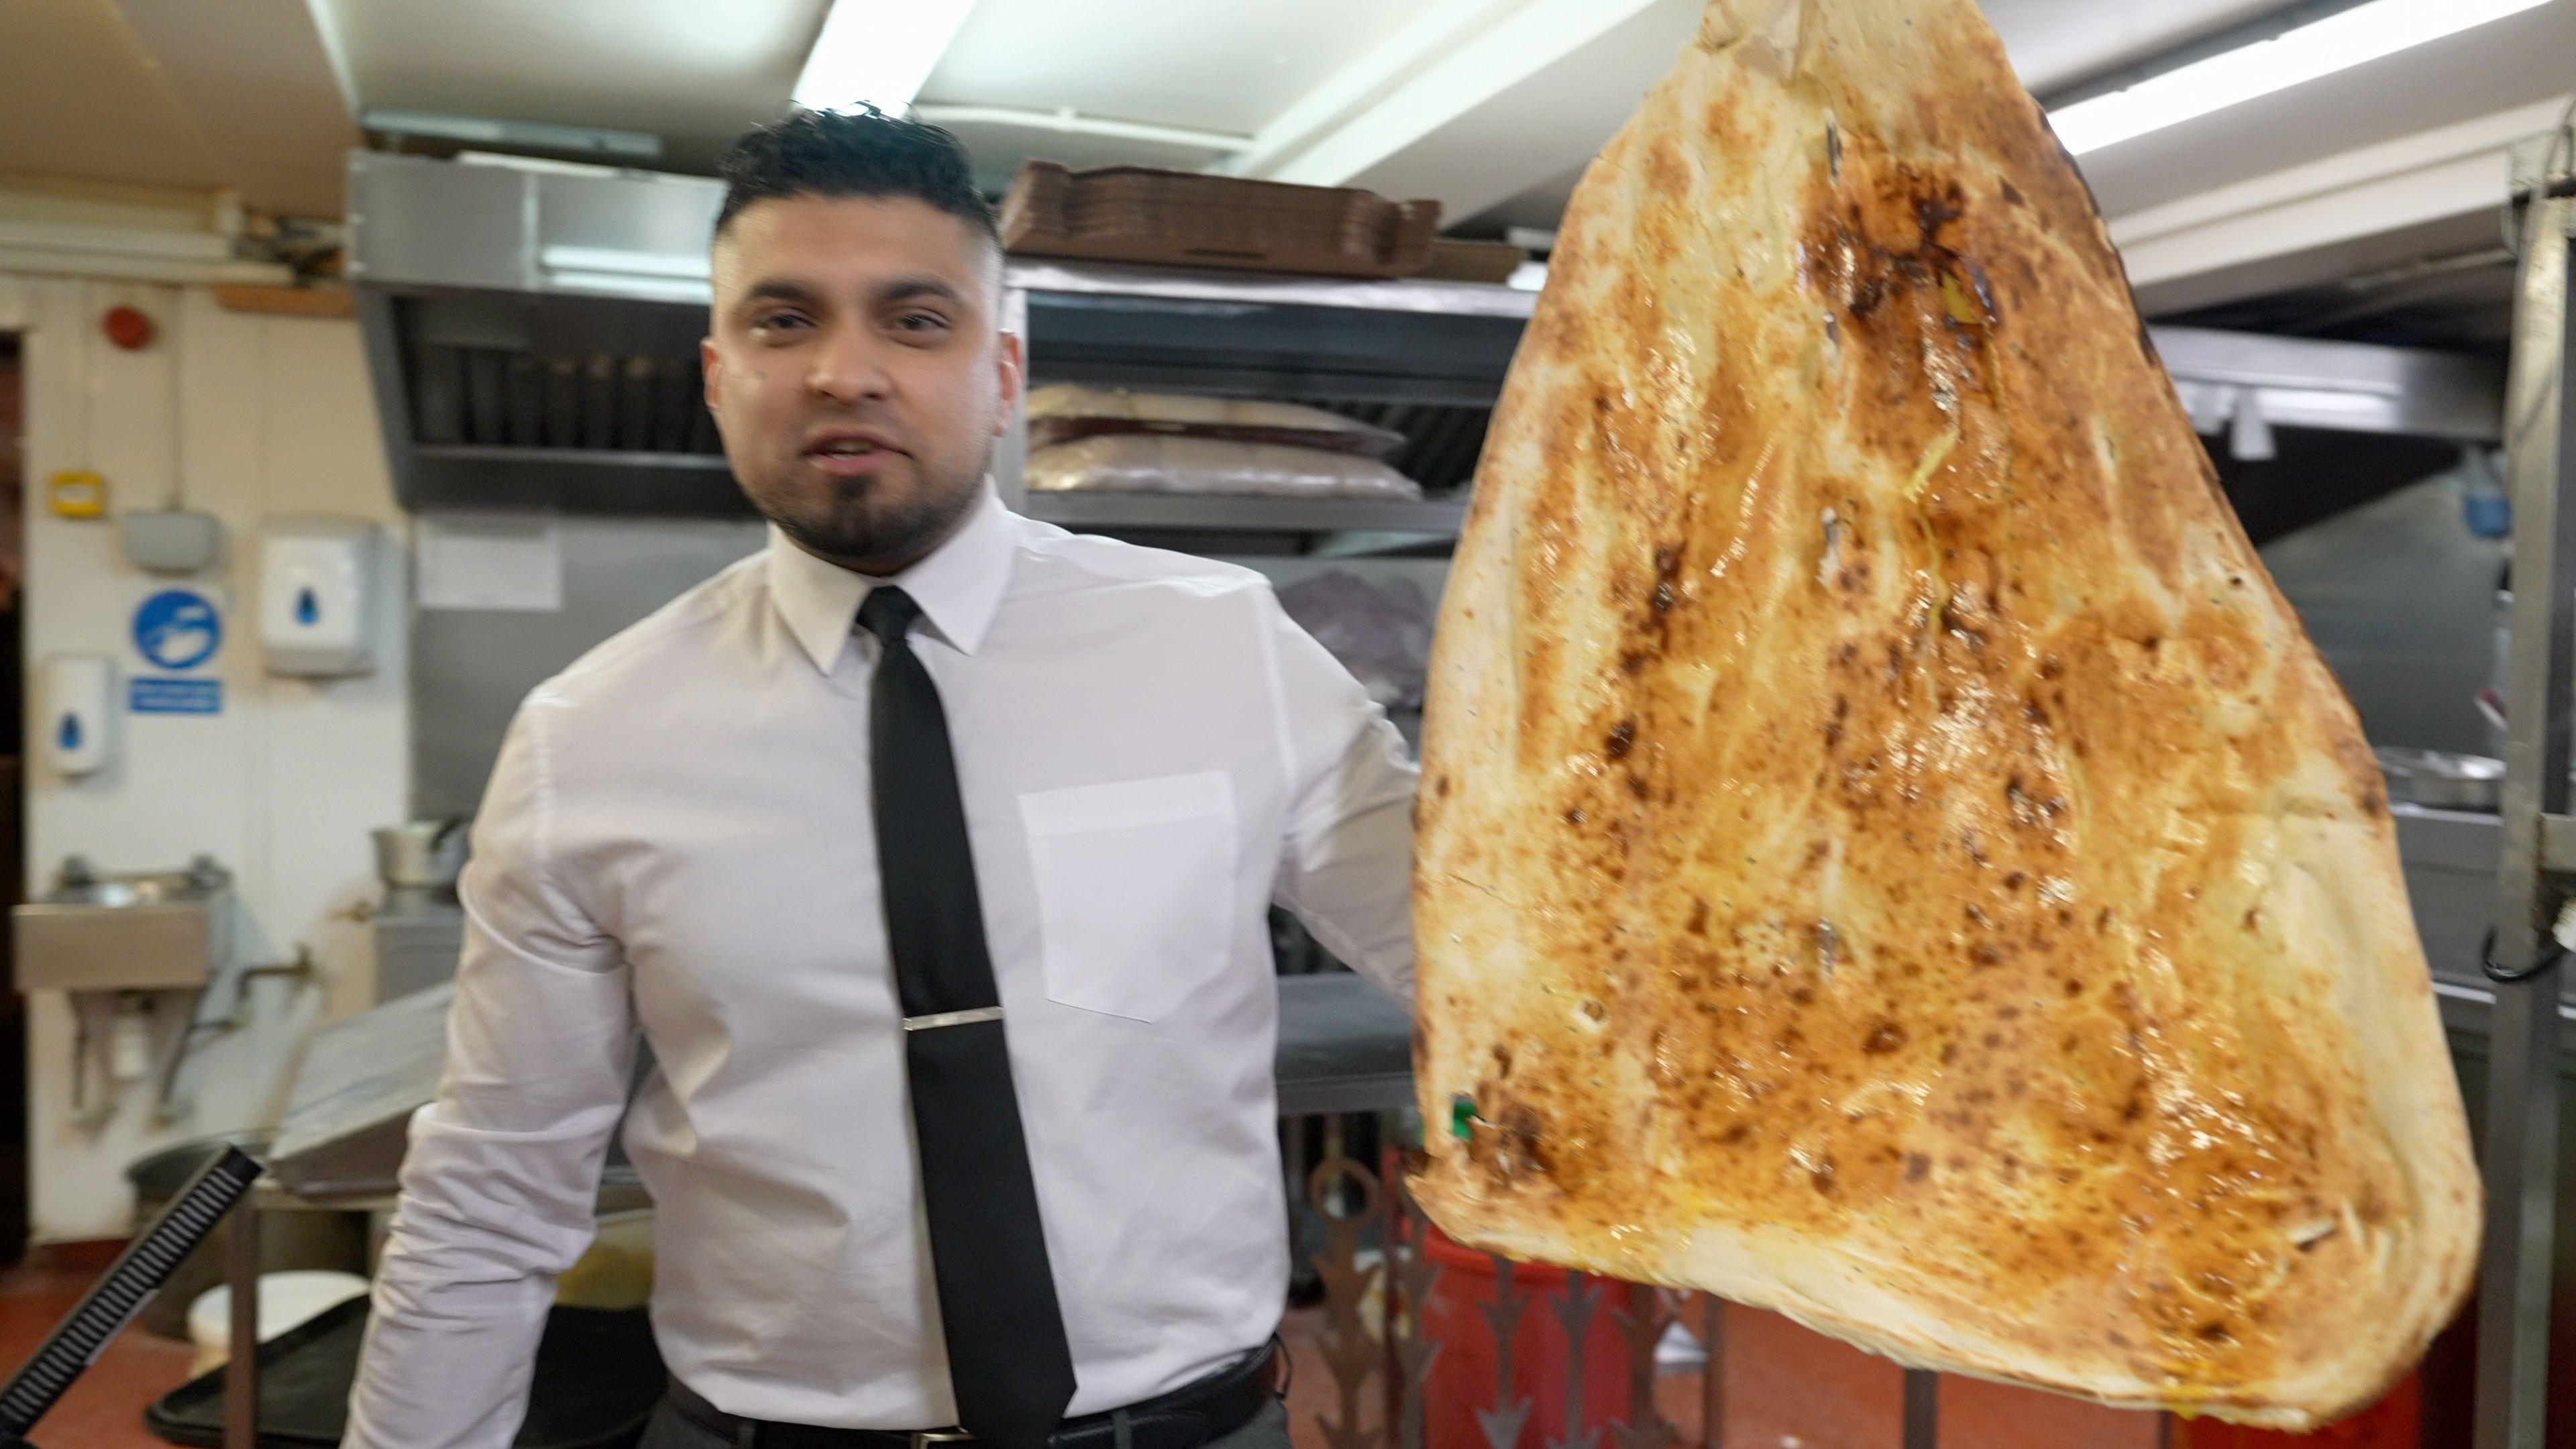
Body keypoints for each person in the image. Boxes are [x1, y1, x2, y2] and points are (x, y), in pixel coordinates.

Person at [343, 109, 1417, 1449]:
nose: (846, 371)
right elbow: (495, 1188)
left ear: (1004, 370)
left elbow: (1492, 970)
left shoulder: (1220, 647)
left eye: (915, 320)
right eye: (786, 322)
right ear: (718, 371)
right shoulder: (589, 738)